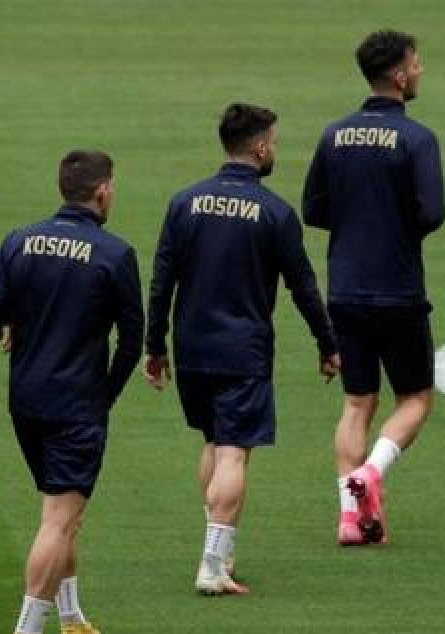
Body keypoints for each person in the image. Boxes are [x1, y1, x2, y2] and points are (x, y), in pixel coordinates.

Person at [0, 151, 142, 634]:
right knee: (59, 520)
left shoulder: (19, 242)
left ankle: (72, 624)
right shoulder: (115, 254)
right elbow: (131, 341)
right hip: (76, 404)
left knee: (59, 512)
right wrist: (105, 395)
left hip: (25, 402)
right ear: (102, 191)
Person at [145, 103, 340, 595]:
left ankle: (222, 549)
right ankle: (212, 564)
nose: (275, 149)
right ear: (260, 147)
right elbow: (303, 287)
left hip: (191, 346)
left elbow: (162, 280)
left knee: (213, 442)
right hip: (242, 350)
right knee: (234, 453)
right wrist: (327, 343)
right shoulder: (274, 212)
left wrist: (155, 345)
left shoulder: (184, 203)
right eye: (274, 142)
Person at [302, 29, 445, 545]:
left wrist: (357, 220)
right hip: (398, 288)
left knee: (356, 402)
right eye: (416, 63)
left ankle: (351, 519)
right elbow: (432, 213)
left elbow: (313, 209)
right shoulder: (417, 139)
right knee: (416, 397)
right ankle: (371, 472)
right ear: (400, 75)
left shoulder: (333, 135)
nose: (421, 70)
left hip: (345, 287)